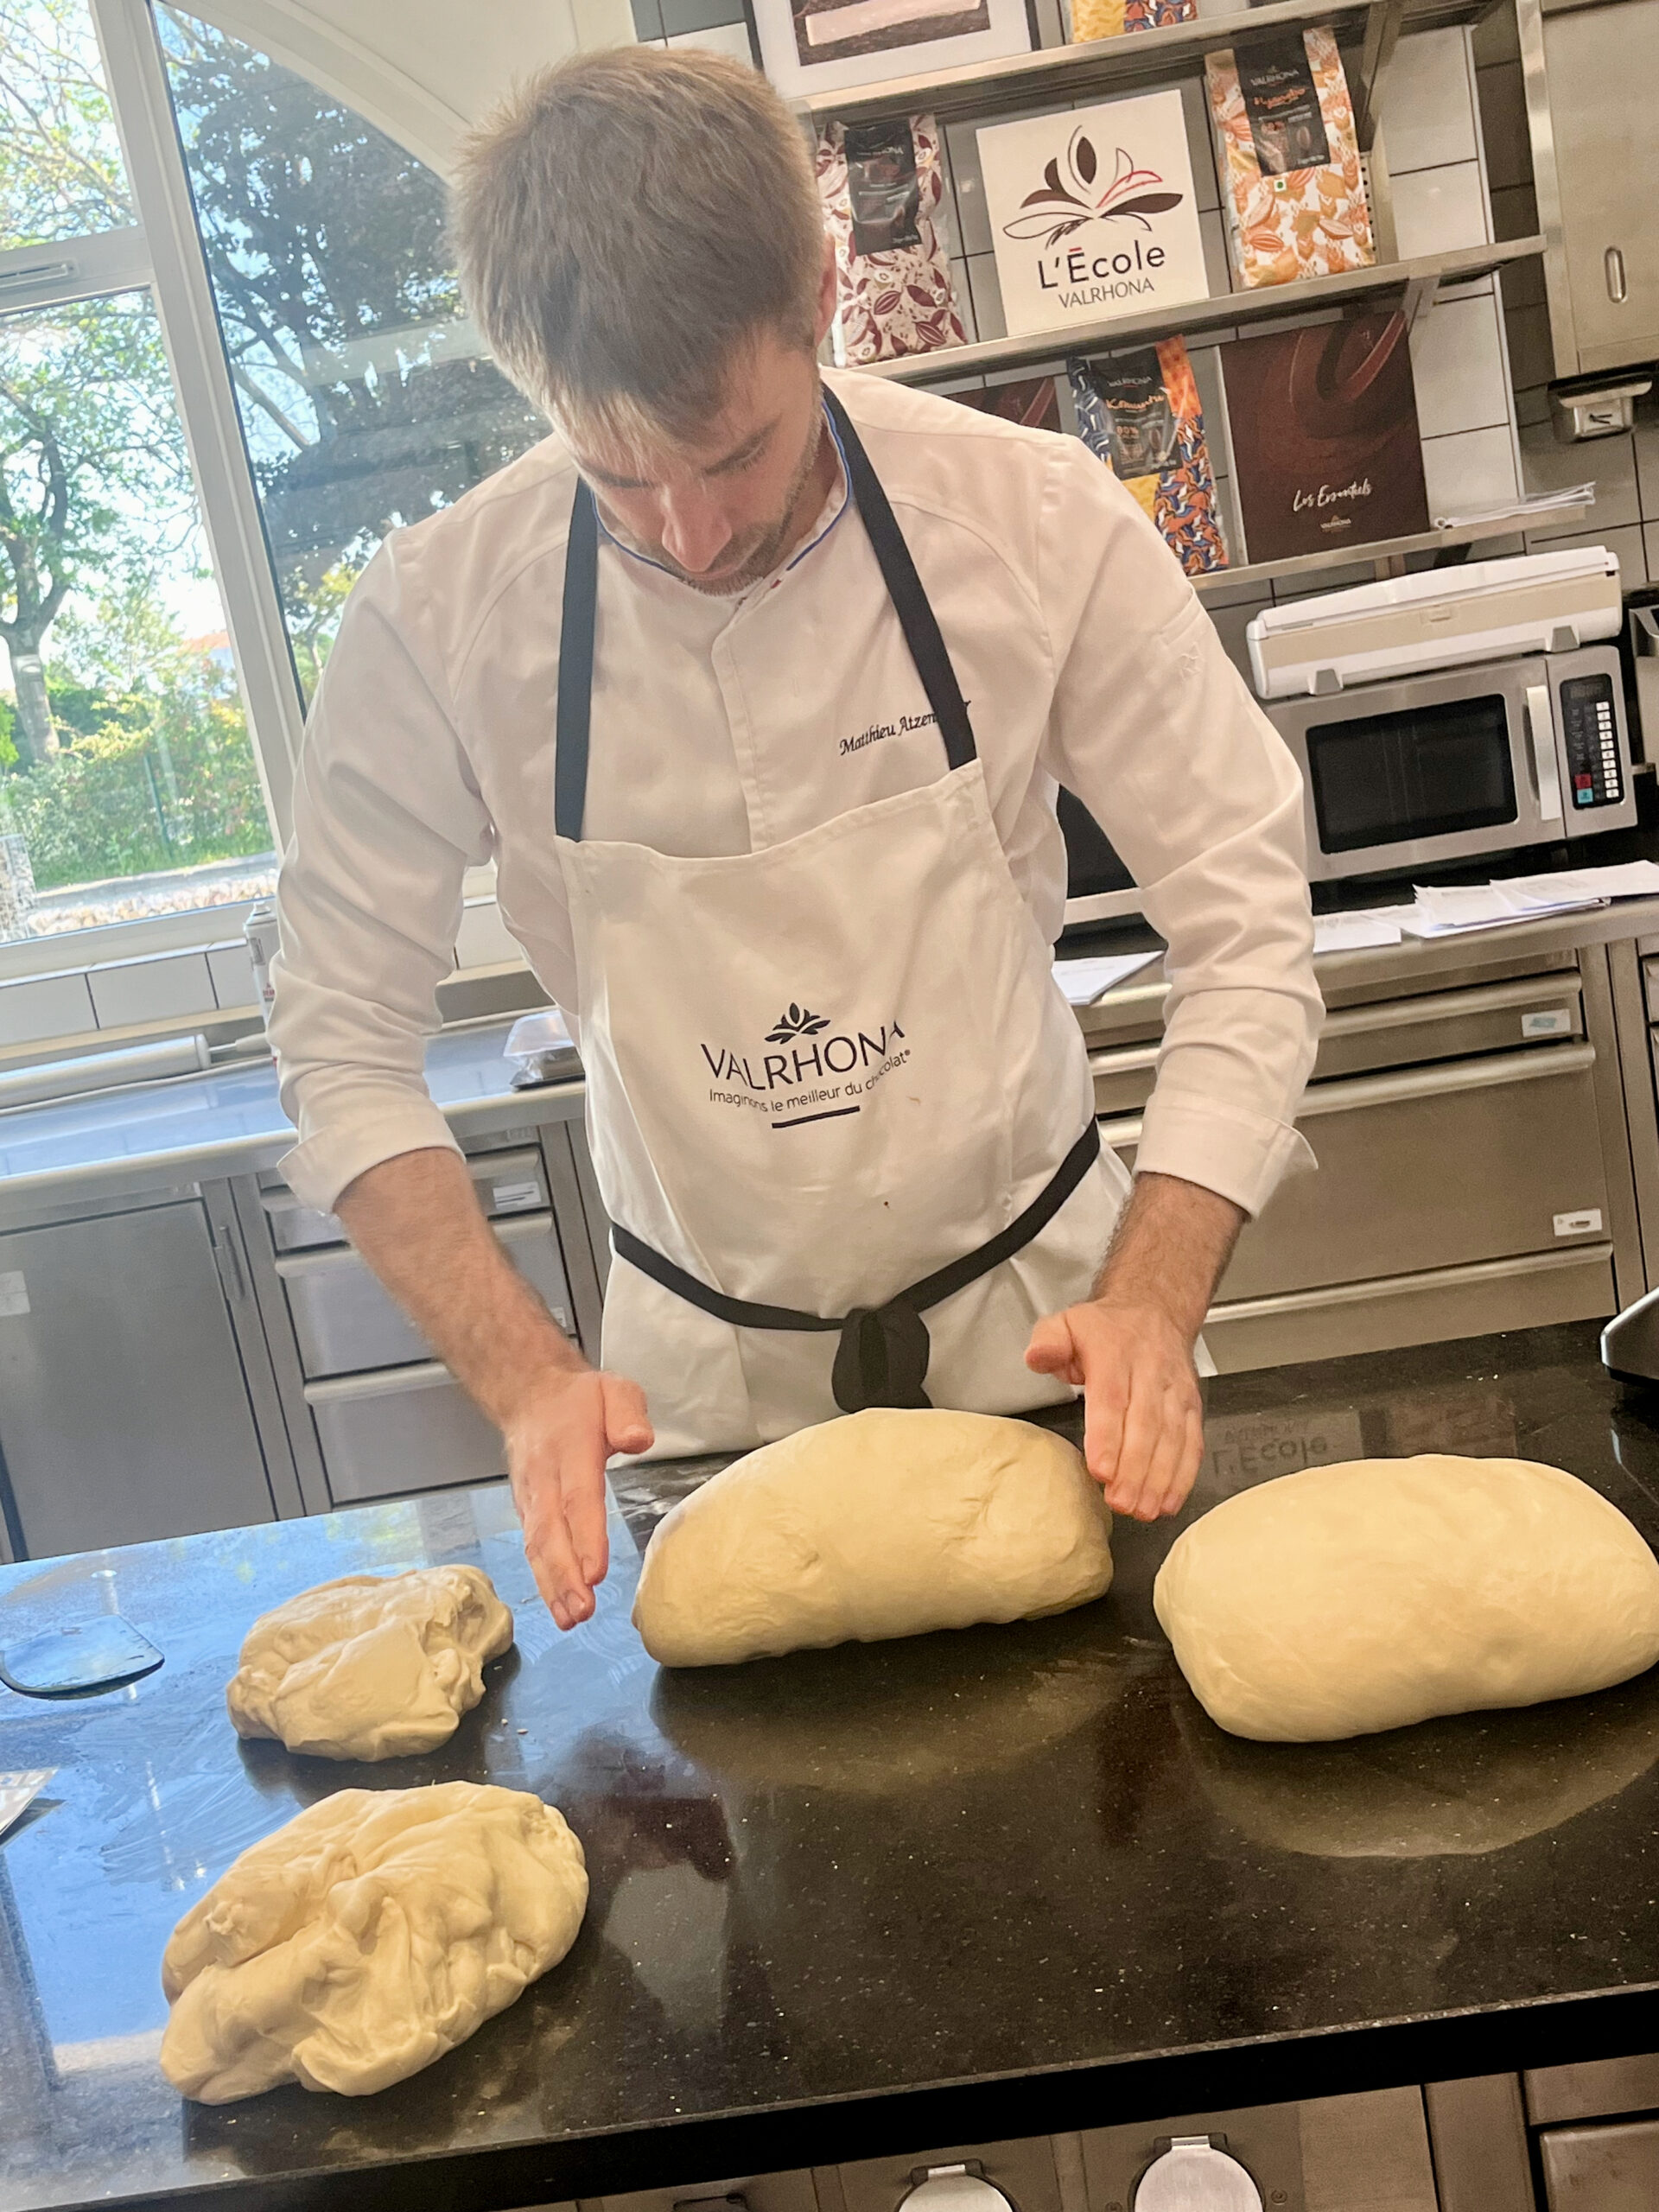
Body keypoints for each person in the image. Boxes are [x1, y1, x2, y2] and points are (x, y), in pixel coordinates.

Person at [269, 48, 1321, 1632]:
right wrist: (531, 1378)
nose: (687, 531)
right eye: (618, 473)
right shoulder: (438, 619)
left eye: (735, 452)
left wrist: (1154, 1297)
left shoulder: (1031, 521)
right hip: (697, 1407)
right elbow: (340, 1042)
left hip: (1057, 1351)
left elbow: (1247, 921)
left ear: (820, 293)